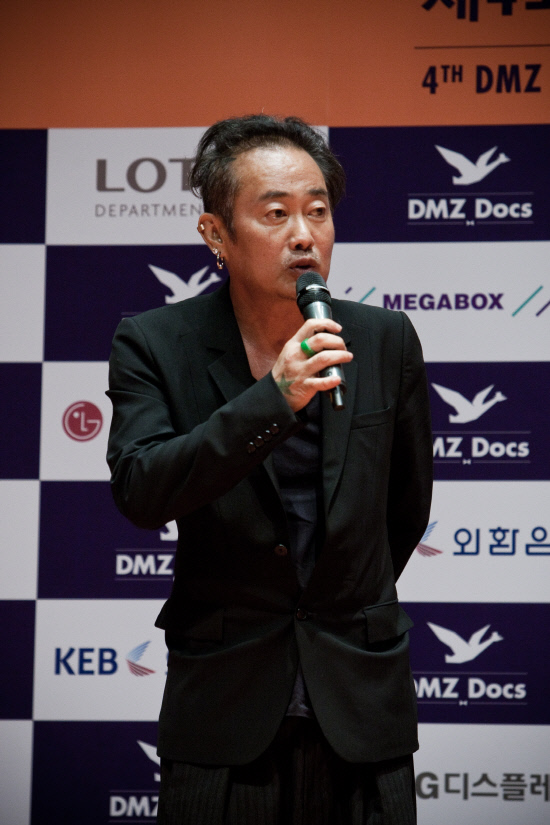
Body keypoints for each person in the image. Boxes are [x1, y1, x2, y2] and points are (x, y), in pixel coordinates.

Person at [106, 114, 432, 824]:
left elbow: (406, 509)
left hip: (361, 698)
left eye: (318, 211)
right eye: (276, 213)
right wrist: (272, 399)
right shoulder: (156, 343)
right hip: (224, 704)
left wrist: (344, 598)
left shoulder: (383, 339)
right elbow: (142, 487)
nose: (304, 234)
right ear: (215, 234)